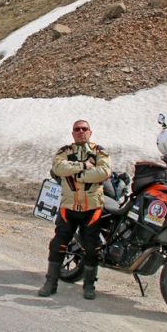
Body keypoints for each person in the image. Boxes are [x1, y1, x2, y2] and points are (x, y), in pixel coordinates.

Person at [38, 119, 111, 300]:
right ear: (72, 133)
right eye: (77, 129)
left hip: (91, 208)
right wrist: (83, 167)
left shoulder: (99, 151)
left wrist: (75, 175)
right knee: (58, 245)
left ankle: (88, 286)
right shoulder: (65, 151)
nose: (80, 132)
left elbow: (104, 172)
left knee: (91, 248)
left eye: (84, 129)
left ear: (90, 132)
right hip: (68, 208)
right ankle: (51, 283)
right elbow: (58, 167)